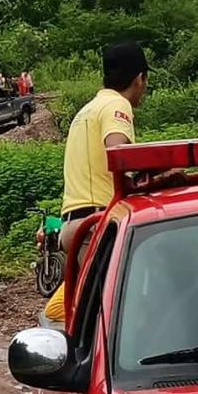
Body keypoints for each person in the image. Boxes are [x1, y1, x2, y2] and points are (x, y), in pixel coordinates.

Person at [59, 41, 152, 266]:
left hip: (75, 223)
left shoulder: (87, 110)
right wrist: (160, 168)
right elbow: (119, 155)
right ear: (140, 78)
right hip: (97, 222)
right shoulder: (117, 106)